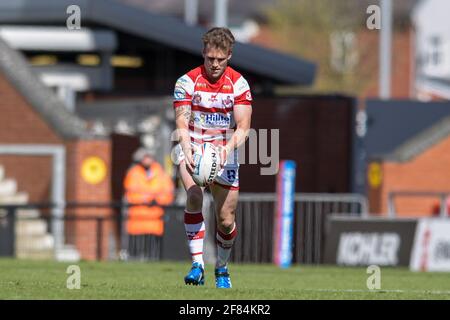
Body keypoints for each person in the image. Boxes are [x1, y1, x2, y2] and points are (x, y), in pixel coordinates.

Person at [173, 27, 253, 288]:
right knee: (194, 195)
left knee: (226, 219)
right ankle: (197, 265)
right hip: (193, 147)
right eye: (210, 58)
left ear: (229, 55)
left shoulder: (239, 84)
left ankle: (222, 267)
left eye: (220, 59)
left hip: (224, 153)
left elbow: (243, 127)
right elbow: (182, 122)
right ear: (203, 54)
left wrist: (226, 150)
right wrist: (186, 147)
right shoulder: (187, 82)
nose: (214, 64)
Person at [123, 147, 174, 261]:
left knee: (153, 252)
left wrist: (157, 200)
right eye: (145, 157)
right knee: (136, 250)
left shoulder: (161, 173)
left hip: (155, 220)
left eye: (149, 157)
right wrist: (145, 199)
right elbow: (130, 193)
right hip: (137, 219)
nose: (147, 160)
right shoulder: (133, 173)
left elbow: (168, 193)